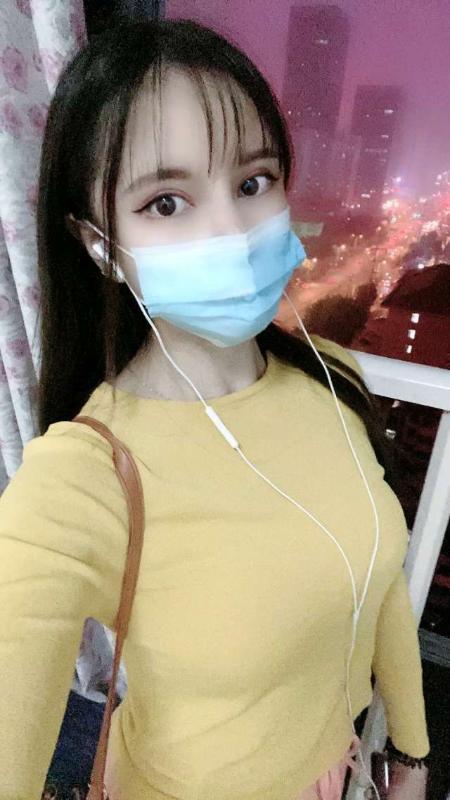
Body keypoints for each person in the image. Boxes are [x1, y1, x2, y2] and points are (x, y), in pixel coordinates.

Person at [0, 18, 430, 800]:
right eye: (166, 202)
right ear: (98, 244)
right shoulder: (82, 477)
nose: (230, 230)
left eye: (253, 183)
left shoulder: (328, 377)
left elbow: (378, 574)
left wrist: (412, 752)